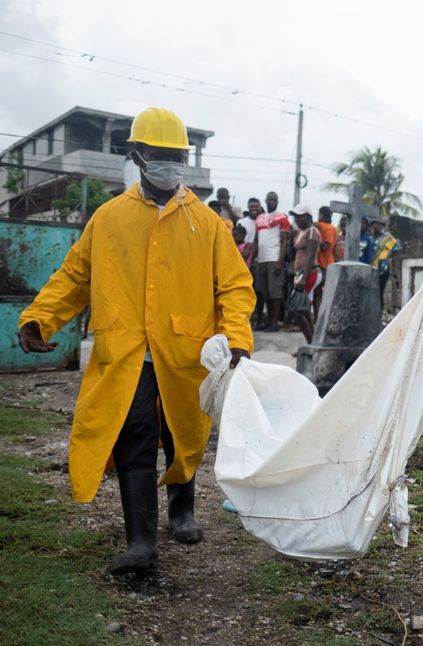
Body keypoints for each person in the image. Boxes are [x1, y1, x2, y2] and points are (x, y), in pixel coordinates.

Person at [17, 107, 255, 575]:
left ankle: (182, 512)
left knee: (183, 433)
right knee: (135, 438)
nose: (171, 164)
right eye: (161, 155)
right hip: (127, 355)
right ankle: (141, 543)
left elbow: (234, 285)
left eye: (178, 156)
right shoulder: (109, 219)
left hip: (187, 354)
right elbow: (75, 276)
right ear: (138, 156)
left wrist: (238, 338)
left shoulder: (206, 224)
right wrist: (40, 319)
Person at [253, 191, 291, 331]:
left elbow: (285, 241)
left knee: (275, 292)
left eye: (274, 200)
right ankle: (269, 321)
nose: (272, 202)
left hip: (274, 257)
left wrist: (280, 261)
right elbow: (257, 240)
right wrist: (253, 260)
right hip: (262, 259)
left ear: (277, 202)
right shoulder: (259, 218)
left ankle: (274, 323)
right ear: (266, 200)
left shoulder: (282, 218)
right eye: (270, 199)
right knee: (264, 292)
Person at [290, 206, 323, 342]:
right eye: (295, 216)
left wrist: (303, 278)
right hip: (302, 273)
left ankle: (311, 342)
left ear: (309, 217)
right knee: (304, 309)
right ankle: (312, 342)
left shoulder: (312, 232)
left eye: (300, 216)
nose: (297, 219)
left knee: (297, 310)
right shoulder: (301, 232)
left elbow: (310, 256)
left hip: (310, 273)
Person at [313, 206, 338, 319]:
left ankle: (323, 317)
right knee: (318, 293)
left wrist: (317, 235)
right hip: (319, 265)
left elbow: (325, 247)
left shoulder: (329, 228)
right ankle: (318, 318)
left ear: (322, 215)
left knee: (323, 294)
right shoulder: (320, 226)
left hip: (326, 265)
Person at [370, 218, 401, 305]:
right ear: (372, 225)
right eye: (375, 224)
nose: (378, 226)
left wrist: (388, 256)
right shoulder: (369, 237)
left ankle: (379, 313)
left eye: (380, 224)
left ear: (383, 226)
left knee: (379, 291)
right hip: (369, 266)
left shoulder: (387, 237)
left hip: (382, 268)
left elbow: (397, 247)